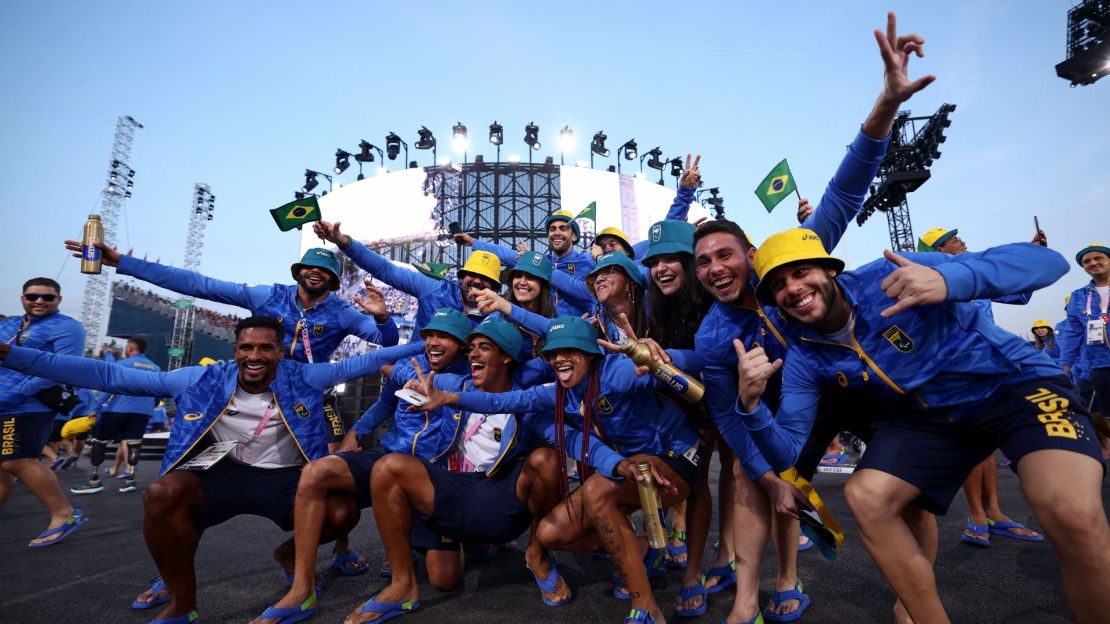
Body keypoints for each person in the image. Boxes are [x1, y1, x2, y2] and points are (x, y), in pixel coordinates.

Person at [693, 13, 936, 623]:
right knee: (757, 481)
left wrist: (884, 104)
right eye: (703, 263)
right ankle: (748, 600)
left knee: (909, 484)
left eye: (726, 255)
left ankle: (910, 599)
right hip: (791, 407)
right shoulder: (713, 333)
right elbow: (727, 411)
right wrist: (766, 469)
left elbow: (847, 189)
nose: (715, 269)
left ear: (751, 256)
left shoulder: (793, 260)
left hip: (864, 383)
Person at [737, 228, 1107, 623]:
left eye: (801, 271)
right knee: (867, 496)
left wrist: (949, 279)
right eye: (778, 284)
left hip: (1012, 387)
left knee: (1072, 514)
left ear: (829, 270)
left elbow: (1047, 263)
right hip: (930, 420)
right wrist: (752, 406)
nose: (792, 288)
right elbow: (789, 450)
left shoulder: (891, 273)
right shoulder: (805, 356)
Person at [0, 316, 423, 624]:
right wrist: (13, 355)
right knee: (162, 494)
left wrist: (430, 344)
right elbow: (105, 373)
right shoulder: (197, 380)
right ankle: (181, 600)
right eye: (246, 348)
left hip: (287, 479)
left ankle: (288, 555)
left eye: (265, 349)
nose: (254, 357)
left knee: (340, 513)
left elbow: (378, 358)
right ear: (235, 349)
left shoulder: (308, 377)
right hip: (224, 469)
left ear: (280, 351)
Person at [413, 316, 706, 624]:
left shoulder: (618, 373)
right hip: (633, 468)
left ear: (591, 354)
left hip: (677, 457)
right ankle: (643, 551)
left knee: (596, 491)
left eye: (570, 350)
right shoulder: (557, 393)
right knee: (550, 532)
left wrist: (662, 356)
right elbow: (505, 401)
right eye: (553, 353)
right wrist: (449, 399)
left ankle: (646, 608)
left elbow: (697, 362)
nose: (560, 359)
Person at [343, 317, 628, 623]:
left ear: (506, 356)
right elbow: (398, 369)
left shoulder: (527, 402)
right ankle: (403, 585)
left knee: (546, 459)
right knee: (390, 473)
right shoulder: (455, 383)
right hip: (455, 488)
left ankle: (537, 553)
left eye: (484, 348)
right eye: (471, 348)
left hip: (497, 496)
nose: (472, 354)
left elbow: (569, 438)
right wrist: (409, 380)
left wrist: (617, 463)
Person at [254, 308, 471, 624]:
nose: (434, 342)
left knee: (444, 579)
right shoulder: (412, 365)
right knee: (318, 471)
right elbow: (384, 405)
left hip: (433, 476)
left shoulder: (470, 375)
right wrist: (355, 433)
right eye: (430, 335)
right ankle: (302, 589)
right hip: (387, 461)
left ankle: (414, 541)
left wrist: (402, 374)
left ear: (463, 345)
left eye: (445, 337)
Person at [917, 226, 1048, 547]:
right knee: (973, 443)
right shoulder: (928, 278)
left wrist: (1035, 253)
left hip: (992, 364)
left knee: (988, 445)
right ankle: (976, 516)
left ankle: (994, 512)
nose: (961, 241)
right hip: (957, 369)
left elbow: (1017, 291)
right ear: (938, 250)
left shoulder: (974, 273)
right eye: (952, 239)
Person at [64, 241, 401, 358]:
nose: (315, 273)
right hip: (255, 381)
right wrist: (123, 262)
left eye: (323, 270)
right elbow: (199, 284)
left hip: (307, 390)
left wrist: (383, 318)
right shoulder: (267, 296)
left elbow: (386, 342)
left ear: (333, 280)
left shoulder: (341, 312)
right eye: (309, 268)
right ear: (298, 272)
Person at [0, 277, 87, 548]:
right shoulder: (9, 324)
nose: (39, 301)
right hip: (4, 403)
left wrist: (18, 393)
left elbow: (60, 369)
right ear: (22, 297)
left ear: (58, 300)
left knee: (17, 461)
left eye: (47, 297)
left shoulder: (67, 327)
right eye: (32, 296)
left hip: (27, 405)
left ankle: (65, 513)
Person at [313, 220, 502, 332]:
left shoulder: (498, 318)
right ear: (461, 277)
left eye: (486, 278)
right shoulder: (434, 288)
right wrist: (343, 242)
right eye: (472, 274)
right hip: (410, 381)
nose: (477, 280)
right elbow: (385, 270)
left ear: (494, 288)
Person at [71, 337, 162, 494]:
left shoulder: (123, 365)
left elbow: (109, 387)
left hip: (117, 409)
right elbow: (160, 391)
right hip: (142, 412)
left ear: (131, 348)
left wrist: (97, 407)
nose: (125, 350)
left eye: (127, 347)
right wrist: (150, 405)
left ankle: (94, 480)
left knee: (99, 442)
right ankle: (130, 480)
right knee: (134, 443)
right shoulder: (155, 368)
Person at [1059, 243, 1110, 449]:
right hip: (1100, 365)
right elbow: (1073, 333)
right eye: (1087, 261)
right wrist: (1065, 365)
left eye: (1098, 258)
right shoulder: (1079, 295)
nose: (1093, 263)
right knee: (1105, 415)